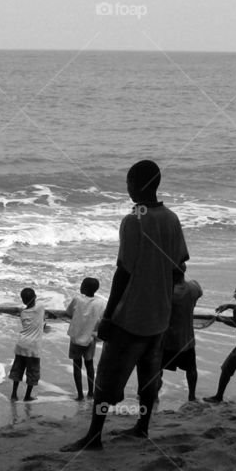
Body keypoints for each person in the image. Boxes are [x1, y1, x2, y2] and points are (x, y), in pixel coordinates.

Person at [63, 160, 188, 451]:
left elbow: (124, 271)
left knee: (107, 380)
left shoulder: (134, 221)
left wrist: (108, 317)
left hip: (131, 317)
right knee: (149, 376)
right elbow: (178, 269)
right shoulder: (171, 218)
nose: (127, 188)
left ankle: (94, 436)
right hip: (160, 315)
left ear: (138, 184)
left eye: (129, 183)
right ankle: (142, 428)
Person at [161, 267, 203, 401]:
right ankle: (192, 396)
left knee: (157, 369)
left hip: (166, 339)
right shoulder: (194, 287)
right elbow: (199, 292)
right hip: (187, 337)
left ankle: (154, 395)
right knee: (191, 368)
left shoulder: (166, 292)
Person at [64, 277, 106, 401]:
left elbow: (69, 312)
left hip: (76, 338)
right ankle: (91, 393)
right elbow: (104, 318)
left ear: (85, 288)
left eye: (82, 284)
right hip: (90, 338)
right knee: (89, 365)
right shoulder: (101, 303)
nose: (80, 286)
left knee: (77, 366)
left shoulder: (77, 299)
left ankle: (80, 395)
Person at [9, 287, 45, 401]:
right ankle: (27, 396)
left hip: (21, 345)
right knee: (32, 372)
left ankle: (14, 394)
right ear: (35, 297)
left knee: (18, 370)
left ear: (23, 301)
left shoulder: (23, 313)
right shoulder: (41, 307)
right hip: (33, 347)